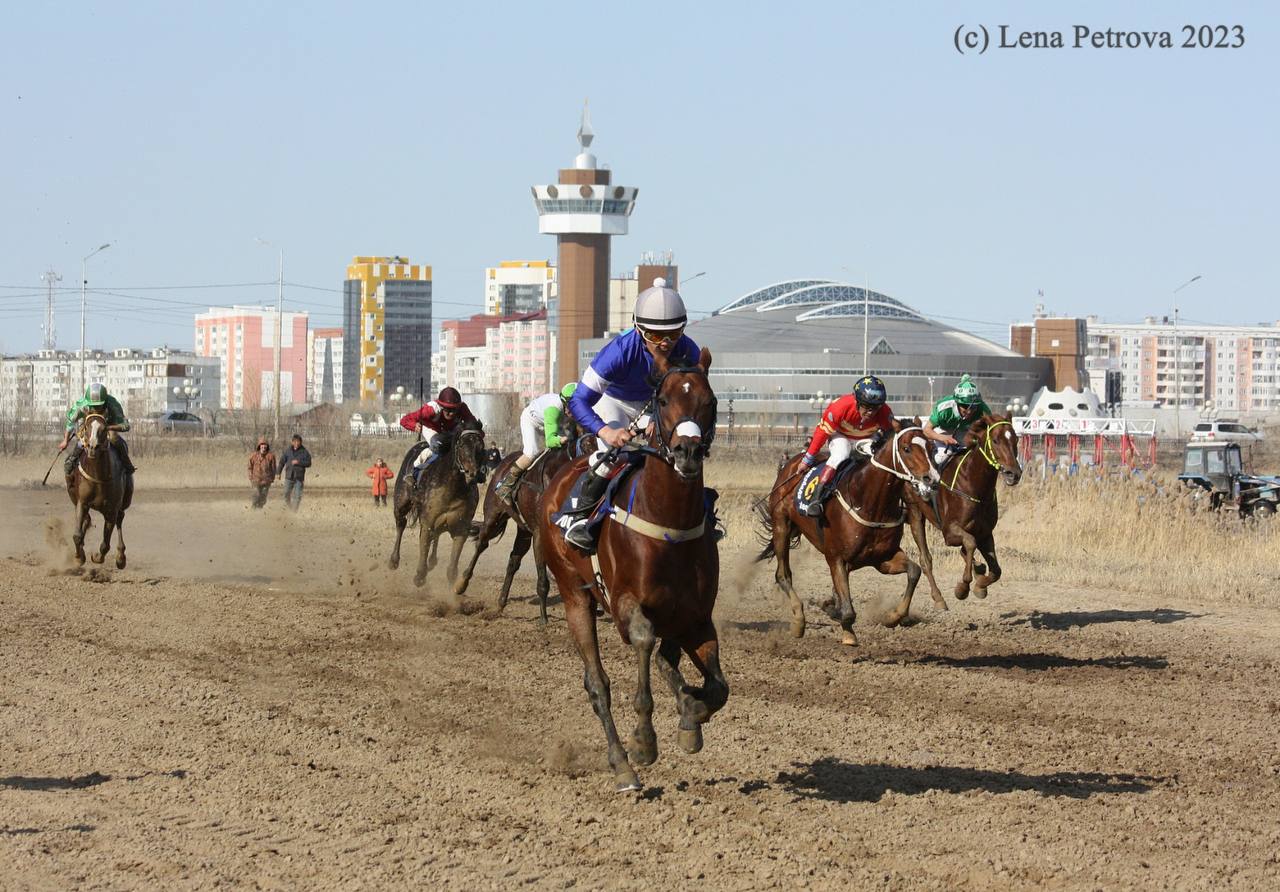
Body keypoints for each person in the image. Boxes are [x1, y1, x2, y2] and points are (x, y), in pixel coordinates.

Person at [561, 279, 700, 549]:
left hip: (654, 405)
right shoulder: (618, 352)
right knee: (610, 457)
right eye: (655, 335)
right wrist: (606, 431)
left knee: (683, 453)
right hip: (612, 401)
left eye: (673, 334)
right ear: (638, 328)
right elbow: (579, 401)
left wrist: (663, 422)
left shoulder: (689, 350)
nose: (665, 344)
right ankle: (580, 518)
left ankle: (698, 518)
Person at [799, 375, 895, 517]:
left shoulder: (885, 412)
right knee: (841, 453)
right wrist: (807, 460)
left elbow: (891, 436)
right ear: (857, 401)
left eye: (876, 408)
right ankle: (817, 498)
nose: (871, 412)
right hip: (840, 436)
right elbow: (821, 433)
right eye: (867, 407)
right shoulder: (839, 407)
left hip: (866, 439)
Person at [495, 382, 578, 508]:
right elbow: (550, 441)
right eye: (574, 406)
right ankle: (505, 485)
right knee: (531, 452)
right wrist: (563, 439)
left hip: (547, 421)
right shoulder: (554, 409)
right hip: (531, 420)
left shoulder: (565, 406)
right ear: (566, 403)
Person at [397, 387, 478, 484]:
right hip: (431, 428)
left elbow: (473, 424)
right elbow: (404, 420)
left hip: (450, 429)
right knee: (438, 444)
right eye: (447, 409)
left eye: (454, 410)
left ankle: (479, 471)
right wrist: (413, 425)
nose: (451, 413)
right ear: (441, 406)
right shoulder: (431, 409)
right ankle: (415, 469)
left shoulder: (462, 408)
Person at [59, 382, 135, 477]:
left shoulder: (112, 404)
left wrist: (109, 427)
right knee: (82, 441)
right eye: (93, 406)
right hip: (89, 425)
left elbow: (126, 425)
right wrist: (65, 441)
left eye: (99, 406)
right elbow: (70, 422)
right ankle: (72, 461)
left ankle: (126, 463)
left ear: (105, 401)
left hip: (108, 425)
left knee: (113, 438)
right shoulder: (81, 406)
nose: (96, 408)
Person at [922, 373, 993, 465]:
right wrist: (943, 438)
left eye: (973, 407)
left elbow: (991, 428)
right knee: (942, 458)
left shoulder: (982, 408)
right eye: (964, 406)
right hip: (943, 431)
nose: (969, 411)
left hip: (964, 431)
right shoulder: (944, 408)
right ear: (957, 403)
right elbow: (926, 430)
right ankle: (934, 475)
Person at [277, 433, 312, 511]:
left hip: (299, 478)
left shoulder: (304, 452)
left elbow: (309, 463)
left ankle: (294, 511)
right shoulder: (288, 451)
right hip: (289, 476)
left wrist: (298, 462)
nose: (296, 443)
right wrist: (278, 472)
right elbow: (282, 462)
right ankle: (289, 508)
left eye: (298, 441)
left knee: (297, 496)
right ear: (292, 442)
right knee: (286, 494)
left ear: (301, 442)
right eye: (295, 441)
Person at [248, 437, 277, 509]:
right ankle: (253, 510)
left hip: (266, 481)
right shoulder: (253, 456)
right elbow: (249, 467)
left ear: (267, 446)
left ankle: (259, 510)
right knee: (256, 495)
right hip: (255, 480)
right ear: (259, 446)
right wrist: (250, 477)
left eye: (265, 445)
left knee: (263, 498)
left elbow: (273, 468)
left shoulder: (271, 456)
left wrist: (272, 478)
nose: (263, 447)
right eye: (262, 445)